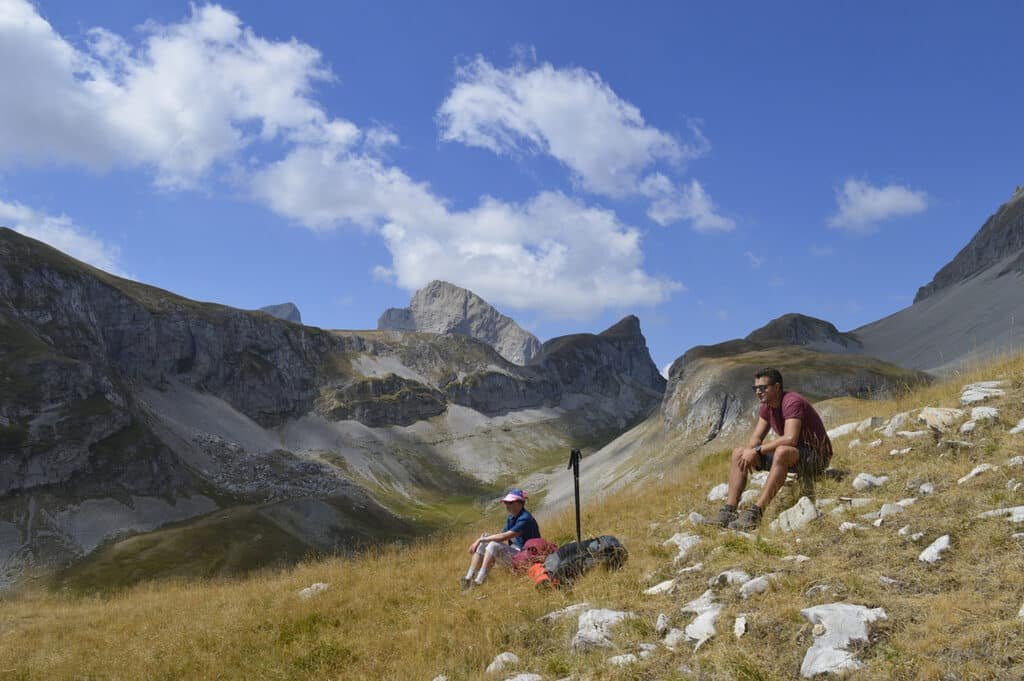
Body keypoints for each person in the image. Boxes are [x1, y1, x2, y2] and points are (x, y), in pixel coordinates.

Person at [709, 367, 833, 530]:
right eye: (756, 388)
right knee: (738, 453)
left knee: (782, 451)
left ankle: (756, 513)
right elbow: (756, 437)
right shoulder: (767, 407)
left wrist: (757, 451)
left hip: (816, 458)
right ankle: (729, 510)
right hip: (795, 455)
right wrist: (750, 452)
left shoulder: (792, 401)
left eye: (763, 388)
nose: (758, 392)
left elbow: (790, 438)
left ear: (776, 387)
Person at [461, 488, 540, 589]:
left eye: (510, 502)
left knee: (492, 544)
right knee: (485, 539)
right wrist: (484, 538)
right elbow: (501, 535)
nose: (507, 505)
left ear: (520, 503)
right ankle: (469, 578)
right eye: (506, 502)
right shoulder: (512, 517)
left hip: (525, 558)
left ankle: (479, 581)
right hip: (516, 553)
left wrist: (480, 540)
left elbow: (504, 536)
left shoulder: (525, 518)